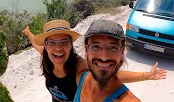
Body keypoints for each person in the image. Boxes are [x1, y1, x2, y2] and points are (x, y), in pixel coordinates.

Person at [22, 19, 167, 102]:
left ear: (71, 45)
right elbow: (36, 43)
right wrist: (28, 32)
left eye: (64, 42)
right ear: (46, 46)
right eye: (52, 43)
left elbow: (112, 73)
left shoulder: (79, 65)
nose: (58, 48)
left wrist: (145, 76)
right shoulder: (47, 57)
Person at [74, 20, 140, 101]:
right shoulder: (81, 79)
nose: (104, 57)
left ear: (122, 52)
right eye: (96, 47)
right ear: (86, 50)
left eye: (113, 48)